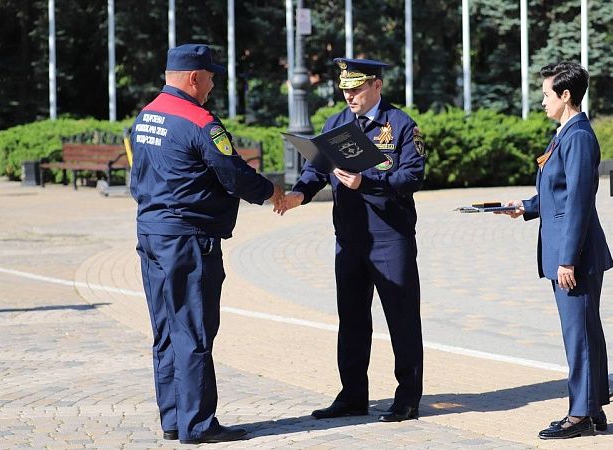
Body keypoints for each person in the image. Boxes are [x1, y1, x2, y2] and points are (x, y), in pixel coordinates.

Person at [129, 43, 283, 444]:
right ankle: (198, 425)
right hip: (188, 240)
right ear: (194, 77)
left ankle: (174, 419)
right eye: (211, 77)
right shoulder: (199, 121)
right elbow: (233, 174)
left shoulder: (147, 116)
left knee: (164, 330)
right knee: (193, 331)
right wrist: (273, 193)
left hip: (151, 234)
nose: (213, 85)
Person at [278, 57, 426, 422]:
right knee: (353, 319)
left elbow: (412, 178)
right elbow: (316, 169)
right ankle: (352, 396)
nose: (349, 95)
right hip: (349, 238)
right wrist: (299, 194)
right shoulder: (337, 123)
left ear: (377, 85)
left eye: (356, 88)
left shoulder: (402, 125)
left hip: (391, 238)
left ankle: (407, 397)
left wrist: (368, 181)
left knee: (402, 319)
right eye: (344, 89)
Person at [501, 62, 613, 439]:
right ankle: (592, 409)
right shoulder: (566, 133)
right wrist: (526, 206)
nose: (543, 101)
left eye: (547, 94)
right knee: (584, 331)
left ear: (566, 96)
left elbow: (580, 201)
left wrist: (567, 259)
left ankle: (580, 416)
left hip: (575, 257)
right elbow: (559, 193)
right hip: (571, 252)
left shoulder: (578, 135)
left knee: (578, 335)